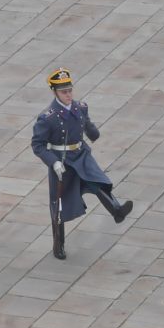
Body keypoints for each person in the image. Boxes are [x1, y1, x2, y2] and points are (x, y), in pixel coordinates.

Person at [29, 69, 128, 259]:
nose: (68, 95)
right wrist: (54, 162)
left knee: (97, 181)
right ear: (55, 92)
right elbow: (37, 145)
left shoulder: (80, 107)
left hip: (81, 155)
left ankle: (117, 210)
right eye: (64, 92)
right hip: (63, 161)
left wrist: (93, 133)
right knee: (58, 205)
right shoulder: (48, 117)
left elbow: (86, 124)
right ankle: (59, 244)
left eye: (70, 90)